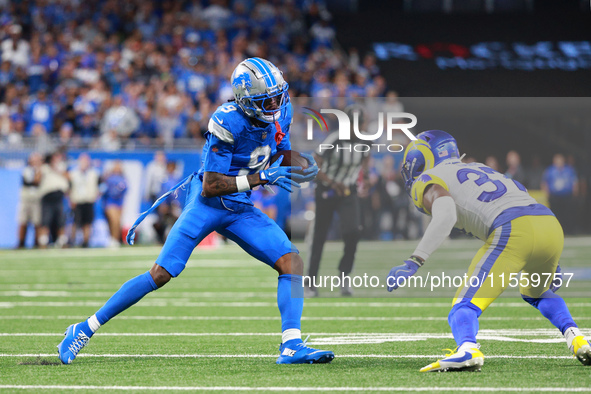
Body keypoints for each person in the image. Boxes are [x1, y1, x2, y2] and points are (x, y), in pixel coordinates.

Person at [57, 57, 334, 365]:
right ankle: (83, 329)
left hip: (239, 207)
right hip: (207, 204)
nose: (276, 104)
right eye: (267, 100)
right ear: (246, 101)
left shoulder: (281, 111)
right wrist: (263, 177)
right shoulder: (227, 120)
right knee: (161, 274)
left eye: (278, 96)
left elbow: (272, 149)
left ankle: (291, 345)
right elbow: (211, 186)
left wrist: (296, 158)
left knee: (291, 262)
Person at [388, 130, 591, 372]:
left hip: (514, 228)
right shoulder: (482, 167)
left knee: (463, 306)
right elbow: (521, 195)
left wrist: (415, 260)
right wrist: (551, 260)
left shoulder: (429, 178)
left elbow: (447, 213)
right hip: (549, 224)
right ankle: (578, 339)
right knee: (536, 291)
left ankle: (467, 349)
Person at [305, 105, 369, 297]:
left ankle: (344, 275)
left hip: (348, 191)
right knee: (319, 236)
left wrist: (362, 180)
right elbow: (314, 165)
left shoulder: (365, 142)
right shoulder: (334, 139)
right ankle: (310, 283)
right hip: (327, 191)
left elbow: (365, 161)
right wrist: (332, 183)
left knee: (353, 231)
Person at [542, 154, 578, 235]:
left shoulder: (569, 170)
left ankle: (568, 231)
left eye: (560, 160)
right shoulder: (550, 170)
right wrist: (546, 193)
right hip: (554, 197)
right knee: (556, 215)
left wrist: (575, 192)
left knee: (567, 214)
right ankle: (557, 231)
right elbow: (544, 183)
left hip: (567, 196)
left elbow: (574, 182)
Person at [69, 153, 100, 247]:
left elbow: (101, 186)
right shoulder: (73, 173)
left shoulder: (94, 173)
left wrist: (96, 195)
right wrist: (71, 199)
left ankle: (86, 242)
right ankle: (72, 241)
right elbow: (69, 188)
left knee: (87, 223)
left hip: (88, 200)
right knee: (75, 222)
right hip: (77, 200)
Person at [17, 152, 43, 248]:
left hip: (37, 200)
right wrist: (38, 174)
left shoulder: (42, 170)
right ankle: (21, 243)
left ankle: (36, 243)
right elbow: (31, 182)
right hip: (26, 199)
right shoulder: (26, 170)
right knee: (23, 222)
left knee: (37, 223)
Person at [102, 161, 128, 247]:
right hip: (110, 202)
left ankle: (116, 239)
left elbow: (125, 189)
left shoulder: (123, 178)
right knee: (114, 221)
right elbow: (104, 190)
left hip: (119, 203)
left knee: (118, 222)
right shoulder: (109, 178)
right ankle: (112, 238)